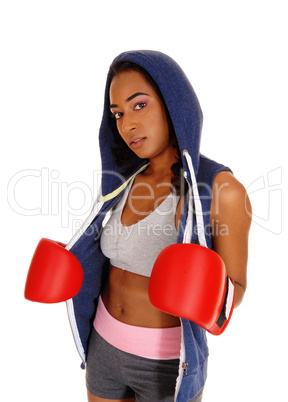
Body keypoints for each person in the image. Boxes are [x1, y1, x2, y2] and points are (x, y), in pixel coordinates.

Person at [65, 50, 252, 401]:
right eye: (117, 114)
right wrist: (72, 264)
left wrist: (200, 283)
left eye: (139, 106)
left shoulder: (221, 190)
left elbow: (236, 287)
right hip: (102, 348)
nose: (127, 125)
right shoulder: (124, 179)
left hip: (165, 364)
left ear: (173, 104)